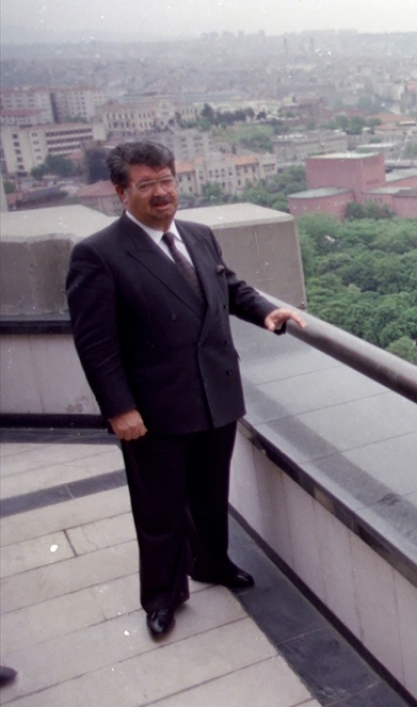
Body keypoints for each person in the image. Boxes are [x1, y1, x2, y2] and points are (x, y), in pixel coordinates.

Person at [66, 141, 306, 638]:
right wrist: (120, 409)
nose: (162, 193)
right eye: (147, 184)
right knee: (159, 509)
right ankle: (161, 596)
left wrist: (266, 311)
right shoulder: (98, 255)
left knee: (209, 492)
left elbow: (229, 288)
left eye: (167, 180)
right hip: (153, 409)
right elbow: (97, 346)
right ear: (121, 192)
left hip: (213, 394)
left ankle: (212, 563)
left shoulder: (198, 235)